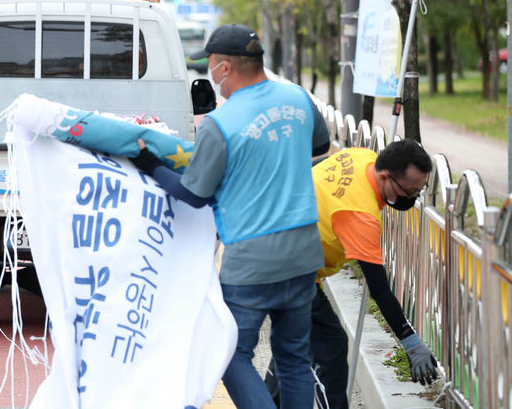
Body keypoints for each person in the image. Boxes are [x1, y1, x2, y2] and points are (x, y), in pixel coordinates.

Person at [129, 24, 330, 409]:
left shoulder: (222, 124)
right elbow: (318, 144)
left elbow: (194, 193)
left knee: (231, 354)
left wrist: (150, 163)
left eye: (209, 65)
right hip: (304, 251)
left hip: (252, 262)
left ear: (224, 68)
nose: (207, 73)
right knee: (293, 358)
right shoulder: (299, 99)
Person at [264, 140, 439, 408]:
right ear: (384, 176)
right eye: (410, 191)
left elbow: (316, 169)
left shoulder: (363, 157)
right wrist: (411, 342)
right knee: (330, 349)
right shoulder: (359, 214)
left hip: (278, 248)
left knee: (295, 345)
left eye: (419, 191)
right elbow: (379, 289)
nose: (412, 198)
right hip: (287, 269)